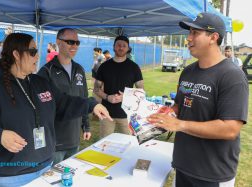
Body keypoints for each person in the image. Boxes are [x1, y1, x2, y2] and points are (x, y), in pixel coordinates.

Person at [0, 33, 111, 187]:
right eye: (32, 52)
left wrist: (91, 105)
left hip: (45, 170)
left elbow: (63, 102)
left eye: (37, 51)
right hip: (8, 178)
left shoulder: (40, 82)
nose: (37, 57)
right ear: (16, 54)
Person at [147, 12, 248, 187]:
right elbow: (180, 106)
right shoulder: (188, 71)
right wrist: (161, 116)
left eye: (195, 33)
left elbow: (230, 129)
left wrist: (179, 124)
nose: (188, 38)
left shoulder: (232, 76)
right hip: (183, 165)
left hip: (212, 173)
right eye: (189, 33)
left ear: (213, 37)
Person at [38, 28, 90, 165]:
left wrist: (86, 126)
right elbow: (41, 109)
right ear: (58, 42)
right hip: (55, 143)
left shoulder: (79, 69)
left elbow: (83, 98)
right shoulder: (46, 72)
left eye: (77, 42)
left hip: (74, 140)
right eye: (70, 42)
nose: (74, 46)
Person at [94, 35, 144, 138]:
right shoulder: (104, 66)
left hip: (127, 115)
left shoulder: (134, 67)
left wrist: (126, 96)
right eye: (118, 45)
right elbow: (96, 89)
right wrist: (108, 97)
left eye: (124, 46)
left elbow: (141, 91)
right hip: (106, 113)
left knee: (129, 144)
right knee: (104, 145)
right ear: (113, 47)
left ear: (128, 48)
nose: (121, 48)